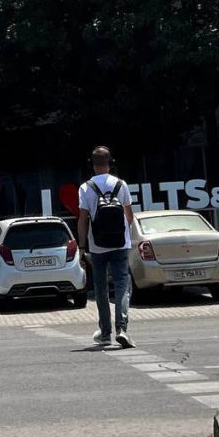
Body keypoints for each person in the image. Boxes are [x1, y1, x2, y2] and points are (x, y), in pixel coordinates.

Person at [78, 146, 137, 349]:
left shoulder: (85, 188)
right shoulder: (121, 184)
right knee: (122, 284)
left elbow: (83, 220)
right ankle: (122, 329)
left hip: (97, 246)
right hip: (120, 244)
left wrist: (82, 246)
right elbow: (129, 217)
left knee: (101, 288)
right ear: (110, 162)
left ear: (92, 165)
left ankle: (105, 333)